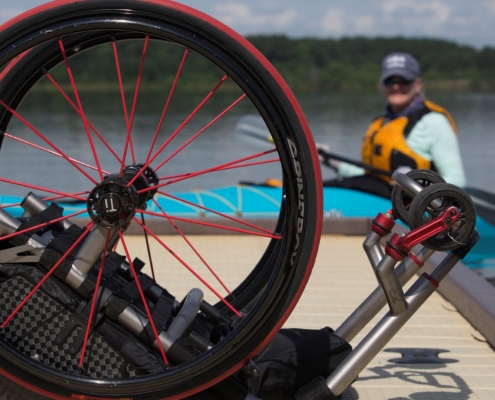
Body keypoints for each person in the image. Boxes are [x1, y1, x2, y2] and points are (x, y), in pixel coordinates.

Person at [322, 52, 466, 199]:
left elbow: (457, 180)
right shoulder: (381, 123)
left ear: (417, 85)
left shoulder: (435, 122)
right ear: (382, 85)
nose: (396, 86)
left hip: (413, 206)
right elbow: (370, 177)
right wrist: (332, 161)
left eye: (404, 80)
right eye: (390, 81)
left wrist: (416, 185)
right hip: (380, 196)